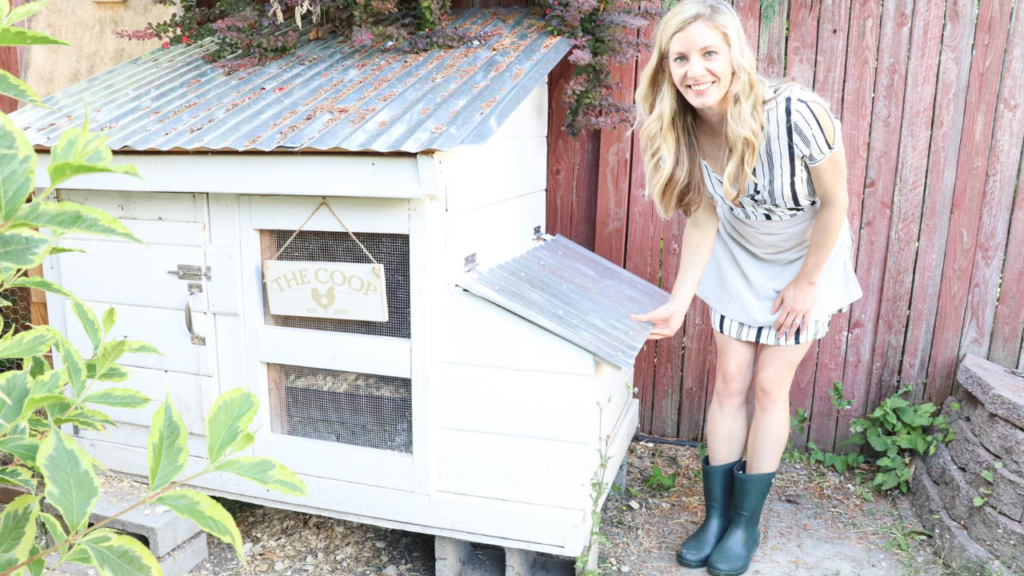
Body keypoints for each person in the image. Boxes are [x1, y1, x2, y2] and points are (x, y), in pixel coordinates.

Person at [628, 1, 863, 575]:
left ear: (735, 55)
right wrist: (680, 303)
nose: (695, 70)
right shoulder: (682, 123)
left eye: (709, 53)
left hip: (810, 255)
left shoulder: (796, 112)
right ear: (666, 67)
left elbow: (836, 203)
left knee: (768, 384)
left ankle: (746, 524)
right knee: (730, 379)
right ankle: (714, 516)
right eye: (680, 58)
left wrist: (807, 284)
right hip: (740, 253)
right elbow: (705, 217)